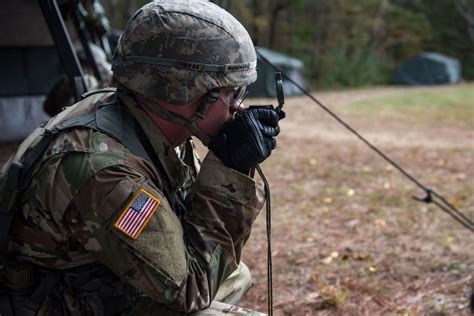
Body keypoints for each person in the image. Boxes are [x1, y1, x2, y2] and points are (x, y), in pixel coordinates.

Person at [0, 1, 281, 315]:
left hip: (94, 280)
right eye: (233, 93)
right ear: (183, 92)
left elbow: (186, 227)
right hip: (53, 304)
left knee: (234, 274)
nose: (239, 108)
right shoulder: (104, 170)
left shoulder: (140, 115)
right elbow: (190, 286)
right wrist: (231, 169)